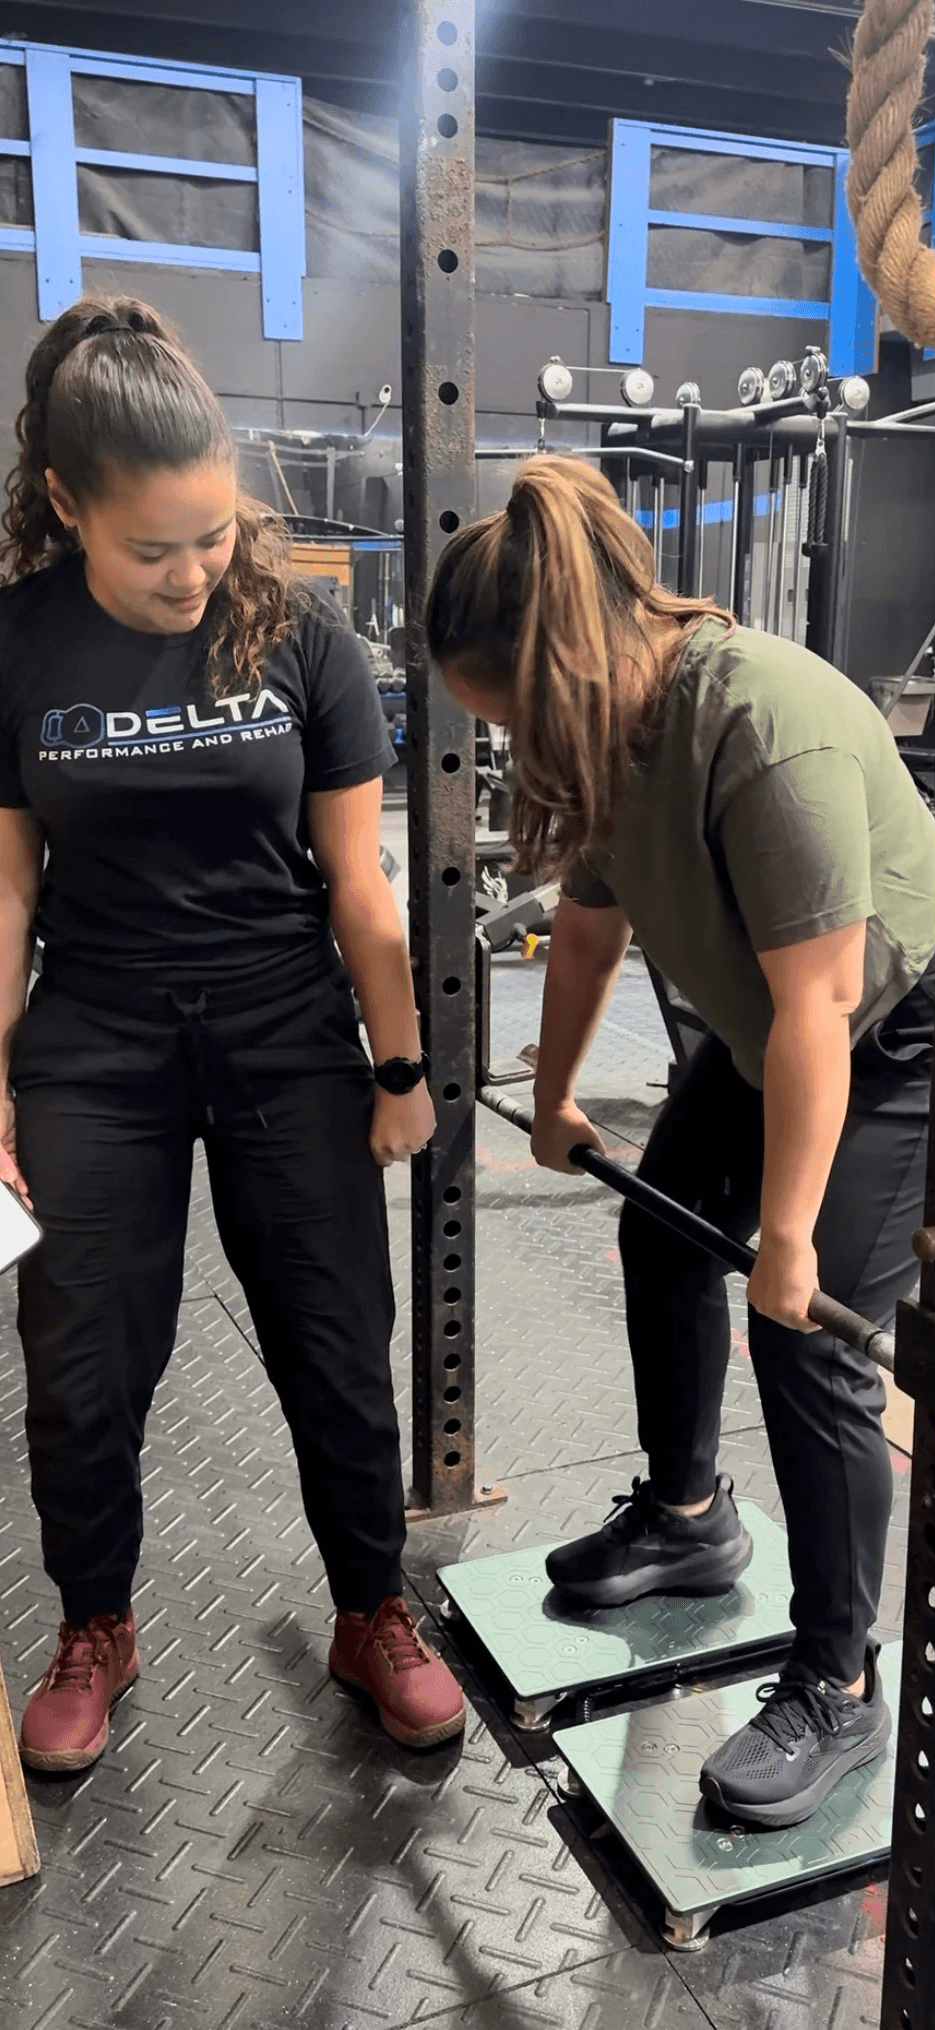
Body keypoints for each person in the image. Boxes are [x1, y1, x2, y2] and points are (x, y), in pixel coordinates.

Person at [427, 456, 935, 1831]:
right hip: (771, 1019)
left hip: (886, 1032)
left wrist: (785, 1238)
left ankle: (837, 1680)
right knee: (660, 1231)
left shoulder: (755, 726)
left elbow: (822, 1007)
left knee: (808, 1342)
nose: (521, 757)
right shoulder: (612, 732)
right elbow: (588, 927)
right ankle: (689, 1515)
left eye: (513, 721)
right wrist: (549, 1094)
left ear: (565, 662)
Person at [0, 296, 464, 1773]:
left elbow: (360, 884)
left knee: (337, 1334)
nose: (196, 572)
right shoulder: (14, 641)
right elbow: (5, 884)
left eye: (213, 535)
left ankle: (370, 1608)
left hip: (282, 1020)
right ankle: (96, 1624)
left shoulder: (301, 635)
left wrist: (399, 1067)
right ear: (69, 502)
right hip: (96, 1027)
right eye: (155, 549)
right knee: (80, 1353)